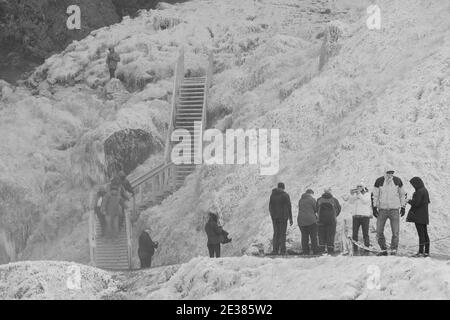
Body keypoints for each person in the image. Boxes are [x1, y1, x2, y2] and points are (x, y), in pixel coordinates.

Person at [372, 168, 407, 255]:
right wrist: (374, 207)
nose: (390, 174)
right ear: (385, 172)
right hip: (382, 210)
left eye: (392, 172)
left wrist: (403, 207)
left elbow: (403, 194)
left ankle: (393, 250)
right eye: (388, 172)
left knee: (395, 232)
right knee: (379, 231)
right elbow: (375, 195)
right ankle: (383, 249)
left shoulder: (397, 180)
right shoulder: (379, 181)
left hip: (394, 210)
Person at [406, 177, 430, 257]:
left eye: (413, 184)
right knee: (425, 234)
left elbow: (416, 203)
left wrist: (408, 200)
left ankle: (420, 252)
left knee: (421, 234)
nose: (413, 186)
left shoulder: (419, 191)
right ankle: (426, 251)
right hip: (424, 215)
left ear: (417, 183)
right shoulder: (424, 190)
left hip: (419, 216)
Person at [269, 182, 293, 255]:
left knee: (276, 233)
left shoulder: (272, 195)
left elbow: (270, 207)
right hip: (283, 217)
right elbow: (289, 207)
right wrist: (290, 218)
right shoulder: (285, 195)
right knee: (283, 234)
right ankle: (282, 251)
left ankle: (275, 250)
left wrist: (272, 216)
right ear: (283, 187)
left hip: (275, 218)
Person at [348, 183, 372, 255]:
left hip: (365, 217)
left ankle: (367, 249)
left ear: (363, 187)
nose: (358, 187)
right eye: (357, 186)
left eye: (360, 186)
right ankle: (355, 249)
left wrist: (359, 194)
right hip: (356, 217)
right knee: (354, 234)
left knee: (365, 234)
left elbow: (365, 201)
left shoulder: (367, 194)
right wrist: (352, 194)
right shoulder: (356, 195)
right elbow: (350, 201)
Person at [316, 188, 341, 254]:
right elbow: (338, 209)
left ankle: (322, 250)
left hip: (321, 220)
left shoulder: (319, 199)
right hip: (331, 220)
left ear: (324, 192)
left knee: (321, 235)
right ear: (330, 192)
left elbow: (316, 209)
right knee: (331, 235)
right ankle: (330, 251)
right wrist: (334, 216)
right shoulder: (334, 200)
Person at [297, 189, 319, 255]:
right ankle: (315, 251)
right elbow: (316, 209)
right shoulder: (312, 199)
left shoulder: (300, 200)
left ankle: (305, 252)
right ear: (310, 193)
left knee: (304, 236)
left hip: (301, 221)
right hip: (311, 220)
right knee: (313, 236)